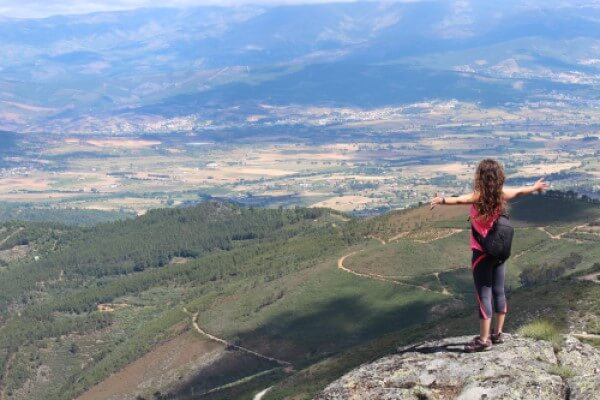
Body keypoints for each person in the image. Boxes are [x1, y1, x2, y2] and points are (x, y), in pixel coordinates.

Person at [429, 159, 549, 352]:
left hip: (482, 253)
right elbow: (520, 191)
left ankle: (484, 340)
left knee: (483, 294)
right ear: (498, 177)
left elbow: (459, 200)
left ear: (480, 177)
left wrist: (440, 200)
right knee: (499, 291)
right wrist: (535, 187)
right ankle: (498, 333)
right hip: (500, 251)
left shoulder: (478, 197)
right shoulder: (502, 195)